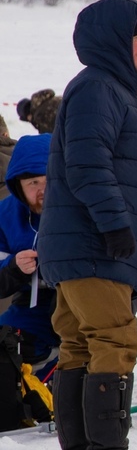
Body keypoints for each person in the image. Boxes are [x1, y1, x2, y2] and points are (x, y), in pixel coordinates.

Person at [36, 0, 137, 450]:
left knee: (78, 343)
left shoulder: (102, 88)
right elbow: (89, 166)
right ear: (115, 40)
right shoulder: (99, 90)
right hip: (92, 245)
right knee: (114, 337)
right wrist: (115, 226)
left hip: (73, 245)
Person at [0, 134, 57, 430]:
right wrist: (13, 267)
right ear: (18, 185)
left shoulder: (79, 209)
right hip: (29, 302)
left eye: (48, 180)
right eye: (33, 183)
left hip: (75, 302)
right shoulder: (7, 214)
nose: (42, 190)